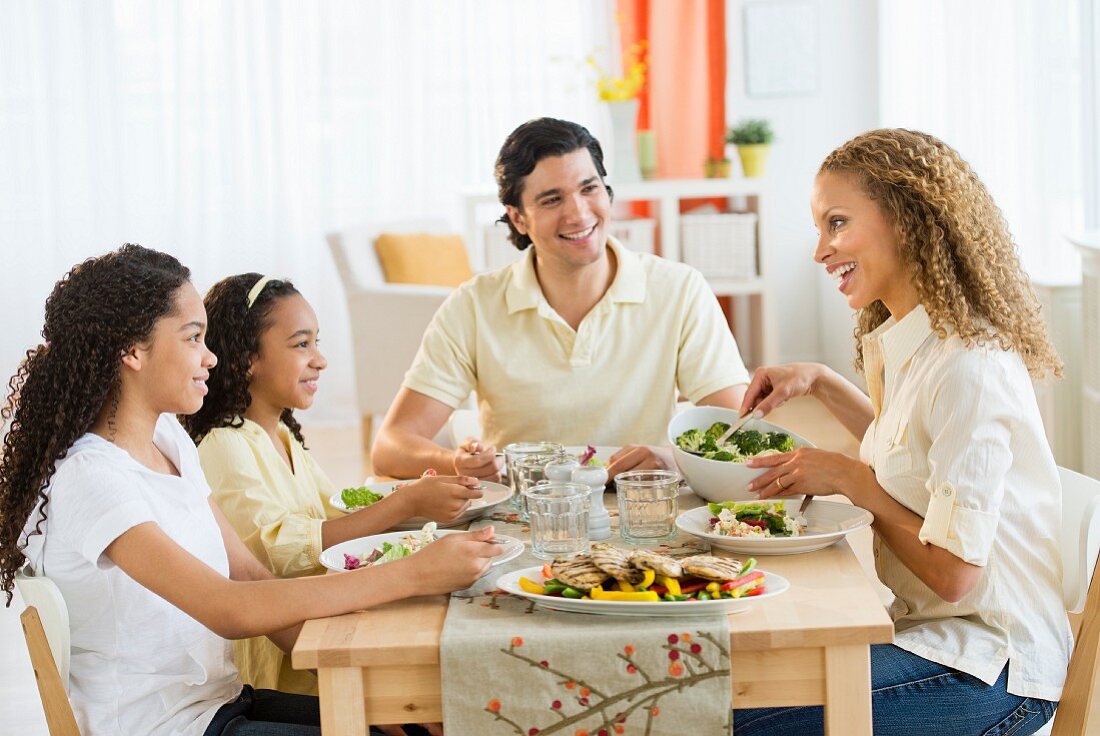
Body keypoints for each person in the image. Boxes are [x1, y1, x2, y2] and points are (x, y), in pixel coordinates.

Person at [0, 245, 500, 736]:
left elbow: (250, 578)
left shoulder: (168, 438)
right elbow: (228, 608)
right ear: (132, 350)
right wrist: (413, 574)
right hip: (167, 726)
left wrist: (355, 683)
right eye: (193, 338)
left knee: (424, 719)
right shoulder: (92, 479)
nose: (211, 357)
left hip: (223, 704)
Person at [730, 129, 1068, 735]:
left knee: (741, 717)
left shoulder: (970, 367)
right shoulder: (918, 344)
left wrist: (852, 481)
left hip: (994, 672)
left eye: (836, 223)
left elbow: (955, 574)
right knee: (733, 685)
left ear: (907, 220)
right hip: (938, 641)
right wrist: (823, 382)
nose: (820, 251)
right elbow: (907, 458)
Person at [372, 117, 751, 480]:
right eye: (552, 200)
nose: (578, 213)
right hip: (518, 525)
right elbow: (391, 447)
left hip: (645, 517)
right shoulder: (474, 305)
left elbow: (742, 434)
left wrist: (670, 460)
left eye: (589, 188)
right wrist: (456, 463)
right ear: (518, 218)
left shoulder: (679, 290)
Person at [182, 273, 484, 696]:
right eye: (301, 344)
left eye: (317, 343)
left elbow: (340, 515)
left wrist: (419, 496)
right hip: (292, 665)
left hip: (328, 627)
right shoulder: (224, 445)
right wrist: (404, 503)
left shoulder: (285, 437)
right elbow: (282, 552)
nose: (320, 360)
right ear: (247, 357)